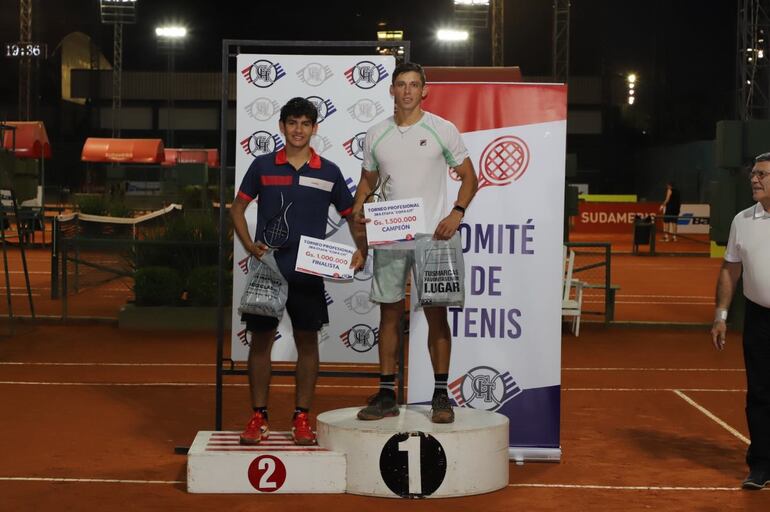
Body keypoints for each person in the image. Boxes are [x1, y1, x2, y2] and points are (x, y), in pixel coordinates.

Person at [231, 97, 365, 446]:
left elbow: (351, 214)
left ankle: (301, 418)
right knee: (260, 343)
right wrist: (249, 245)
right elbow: (237, 208)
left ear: (315, 128)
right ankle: (258, 416)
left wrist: (361, 249)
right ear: (282, 126)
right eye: (292, 123)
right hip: (269, 271)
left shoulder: (329, 171)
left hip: (309, 272)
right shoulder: (262, 166)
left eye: (305, 123)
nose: (298, 129)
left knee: (307, 343)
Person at [352, 62, 478, 424]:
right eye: (400, 85)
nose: (406, 91)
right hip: (391, 235)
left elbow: (470, 178)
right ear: (391, 90)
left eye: (413, 85)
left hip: (434, 238)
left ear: (424, 91)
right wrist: (360, 208)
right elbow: (367, 182)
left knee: (438, 315)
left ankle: (441, 394)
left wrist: (456, 213)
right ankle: (387, 393)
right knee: (389, 313)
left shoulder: (443, 129)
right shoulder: (376, 134)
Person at [711, 152, 770, 490]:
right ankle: (761, 465)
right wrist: (720, 315)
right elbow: (730, 268)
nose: (754, 179)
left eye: (762, 174)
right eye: (753, 174)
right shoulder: (742, 220)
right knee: (759, 393)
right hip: (758, 318)